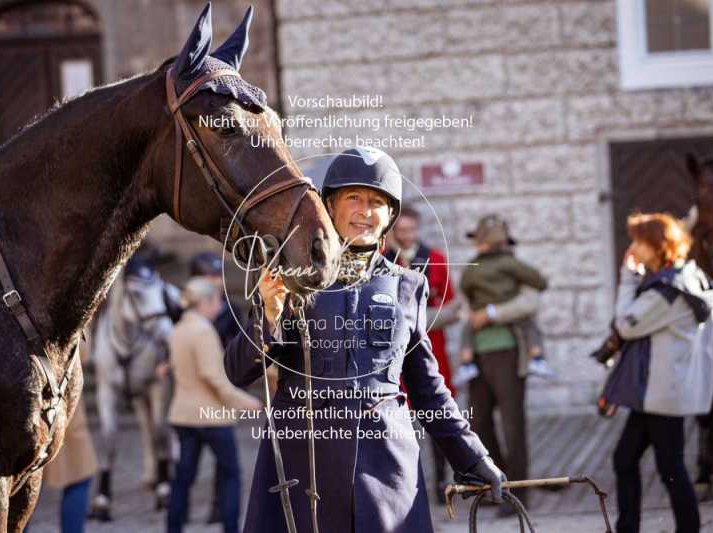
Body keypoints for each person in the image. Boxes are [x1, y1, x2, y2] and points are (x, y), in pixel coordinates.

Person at [225, 146, 506, 533]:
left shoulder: (409, 286)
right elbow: (239, 371)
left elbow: (428, 388)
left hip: (386, 472)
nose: (365, 211)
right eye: (353, 197)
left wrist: (473, 458)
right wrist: (269, 313)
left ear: (390, 215)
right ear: (330, 205)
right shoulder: (288, 278)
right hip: (302, 466)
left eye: (376, 202)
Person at [601, 213, 713, 533]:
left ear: (656, 246)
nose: (633, 247)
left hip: (661, 393)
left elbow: (625, 324)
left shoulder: (666, 291)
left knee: (670, 467)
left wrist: (627, 277)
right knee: (628, 459)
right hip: (660, 392)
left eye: (638, 240)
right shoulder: (685, 277)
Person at [458, 214, 549, 513]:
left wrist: (491, 310)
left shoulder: (493, 268)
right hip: (481, 353)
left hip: (507, 351)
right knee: (480, 422)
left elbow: (536, 290)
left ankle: (516, 491)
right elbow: (466, 304)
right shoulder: (503, 267)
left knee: (508, 424)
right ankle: (495, 484)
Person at [166, 277, 262, 533]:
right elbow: (215, 378)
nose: (220, 307)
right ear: (205, 302)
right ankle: (231, 529)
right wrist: (249, 403)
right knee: (231, 476)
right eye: (217, 301)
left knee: (183, 479)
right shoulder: (203, 332)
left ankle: (173, 528)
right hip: (212, 417)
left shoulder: (179, 329)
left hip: (183, 415)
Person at [384, 204, 458, 503]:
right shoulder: (381, 259)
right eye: (400, 231)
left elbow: (452, 307)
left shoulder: (436, 259)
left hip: (432, 350)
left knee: (436, 413)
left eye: (410, 230)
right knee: (398, 421)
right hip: (392, 355)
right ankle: (405, 484)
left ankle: (442, 482)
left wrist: (415, 318)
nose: (406, 235)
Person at [43, 330, 98, 533]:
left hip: (20, 403)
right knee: (80, 476)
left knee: (18, 492)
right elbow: (83, 352)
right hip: (62, 410)